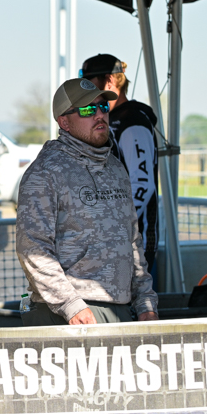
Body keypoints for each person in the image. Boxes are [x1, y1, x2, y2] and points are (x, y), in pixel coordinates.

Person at [17, 78, 158, 325]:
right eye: (87, 109)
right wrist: (71, 306)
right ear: (64, 122)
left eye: (103, 107)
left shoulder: (116, 168)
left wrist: (145, 302)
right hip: (68, 315)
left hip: (120, 309)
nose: (99, 115)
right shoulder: (45, 172)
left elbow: (132, 241)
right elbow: (32, 248)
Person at [81, 54, 160, 276]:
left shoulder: (133, 121)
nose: (85, 91)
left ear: (109, 80)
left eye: (89, 83)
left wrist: (115, 227)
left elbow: (142, 183)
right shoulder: (109, 119)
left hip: (133, 242)